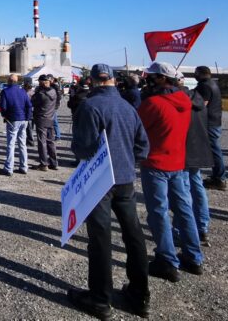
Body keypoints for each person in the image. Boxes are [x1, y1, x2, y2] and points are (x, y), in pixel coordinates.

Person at [67, 63, 150, 320]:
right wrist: (126, 160)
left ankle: (100, 299)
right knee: (133, 234)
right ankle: (139, 295)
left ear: (92, 81)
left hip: (100, 182)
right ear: (113, 80)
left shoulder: (90, 107)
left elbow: (83, 149)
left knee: (100, 238)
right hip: (125, 179)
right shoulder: (128, 107)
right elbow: (143, 146)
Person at [138, 61, 203, 282]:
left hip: (156, 163)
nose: (148, 79)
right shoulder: (185, 100)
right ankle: (193, 257)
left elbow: (138, 130)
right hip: (178, 162)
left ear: (163, 79)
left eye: (152, 76)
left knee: (158, 212)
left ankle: (167, 260)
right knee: (184, 209)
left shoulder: (153, 103)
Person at [179, 73, 213, 247]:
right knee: (196, 186)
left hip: (183, 150)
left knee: (182, 192)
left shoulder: (178, 101)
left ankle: (184, 230)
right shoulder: (197, 98)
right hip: (198, 149)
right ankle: (202, 225)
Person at [195, 66, 227, 191]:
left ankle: (220, 178)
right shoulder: (212, 83)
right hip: (214, 120)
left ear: (201, 74)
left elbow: (202, 104)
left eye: (196, 73)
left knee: (214, 150)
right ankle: (217, 176)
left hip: (209, 122)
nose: (195, 75)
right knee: (214, 149)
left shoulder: (204, 86)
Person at [0, 74, 32, 176]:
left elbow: (3, 107)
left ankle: (9, 168)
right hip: (23, 120)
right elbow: (29, 106)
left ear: (8, 81)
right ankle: (24, 167)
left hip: (12, 120)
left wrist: (5, 116)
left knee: (11, 145)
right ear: (17, 81)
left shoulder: (5, 92)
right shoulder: (23, 92)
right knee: (22, 144)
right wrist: (27, 118)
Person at [31, 74, 58, 171]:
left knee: (42, 142)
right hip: (50, 118)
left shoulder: (41, 94)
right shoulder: (53, 91)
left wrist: (36, 92)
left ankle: (44, 163)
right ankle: (54, 163)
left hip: (41, 118)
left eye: (39, 82)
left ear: (42, 82)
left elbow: (32, 101)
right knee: (51, 141)